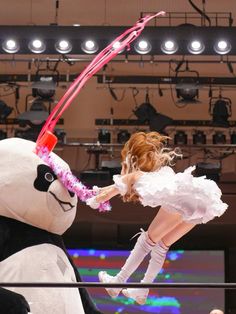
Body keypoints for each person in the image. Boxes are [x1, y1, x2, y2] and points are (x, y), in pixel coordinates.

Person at [86, 131, 228, 305]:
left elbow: (109, 192)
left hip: (184, 200)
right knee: (161, 245)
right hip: (200, 202)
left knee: (147, 240)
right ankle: (142, 290)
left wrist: (92, 198)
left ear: (132, 161)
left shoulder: (135, 176)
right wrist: (99, 192)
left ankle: (118, 282)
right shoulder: (156, 175)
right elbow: (115, 186)